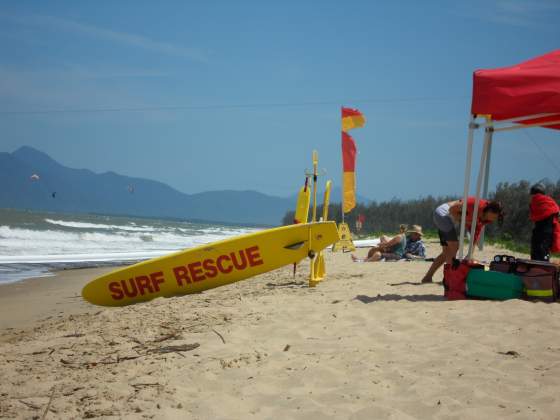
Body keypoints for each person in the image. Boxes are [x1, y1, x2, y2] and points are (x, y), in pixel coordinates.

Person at [420, 197, 503, 283]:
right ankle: (449, 277)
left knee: (446, 253)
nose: (493, 220)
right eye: (493, 217)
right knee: (454, 247)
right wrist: (463, 220)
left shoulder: (483, 219)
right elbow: (452, 209)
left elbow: (475, 236)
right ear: (489, 211)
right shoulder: (474, 205)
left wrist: (470, 254)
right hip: (443, 214)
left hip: (447, 219)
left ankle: (428, 277)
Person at [529, 183, 560, 261]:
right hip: (547, 233)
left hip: (538, 232)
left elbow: (533, 216)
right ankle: (544, 270)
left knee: (535, 253)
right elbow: (557, 213)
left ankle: (534, 270)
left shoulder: (534, 201)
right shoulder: (551, 203)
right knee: (544, 254)